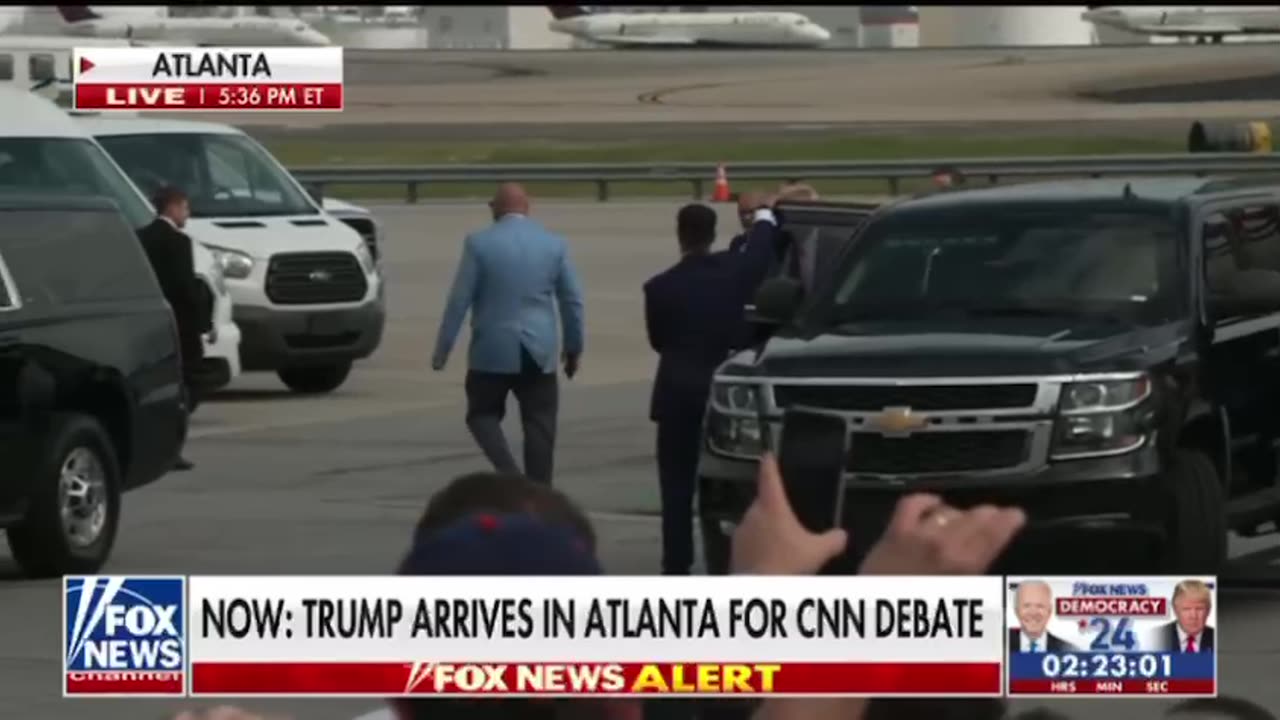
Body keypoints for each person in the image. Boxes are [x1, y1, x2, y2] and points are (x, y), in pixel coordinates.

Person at [643, 202, 780, 575]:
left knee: (676, 488)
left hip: (676, 394)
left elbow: (659, 341)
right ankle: (731, 562)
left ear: (680, 234)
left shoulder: (658, 288)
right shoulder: (733, 272)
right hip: (722, 394)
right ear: (713, 233)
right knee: (733, 484)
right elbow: (761, 253)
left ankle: (676, 565)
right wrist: (766, 217)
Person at [431, 183, 585, 485]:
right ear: (528, 207)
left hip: (492, 350)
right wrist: (574, 346)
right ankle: (540, 493)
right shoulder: (554, 244)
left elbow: (459, 299)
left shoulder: (479, 243)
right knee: (540, 424)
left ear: (494, 208)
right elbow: (572, 300)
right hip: (539, 351)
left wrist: (443, 350)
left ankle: (511, 477)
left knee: (481, 414)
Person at [137, 185, 208, 471]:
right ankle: (171, 446)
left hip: (149, 321)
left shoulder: (140, 237)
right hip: (179, 325)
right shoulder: (179, 243)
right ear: (174, 207)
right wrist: (203, 322)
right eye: (185, 208)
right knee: (190, 384)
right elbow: (185, 288)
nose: (187, 215)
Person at [1009, 581, 1073, 653]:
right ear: (1016, 610)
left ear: (1049, 611)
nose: (1033, 612)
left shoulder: (1067, 650)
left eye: (1040, 606)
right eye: (1026, 606)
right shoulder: (1000, 643)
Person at [1155, 579, 1216, 653]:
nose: (1193, 616)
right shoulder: (1156, 637)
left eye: (1199, 609)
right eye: (1186, 609)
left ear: (1208, 610)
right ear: (1175, 610)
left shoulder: (1217, 638)